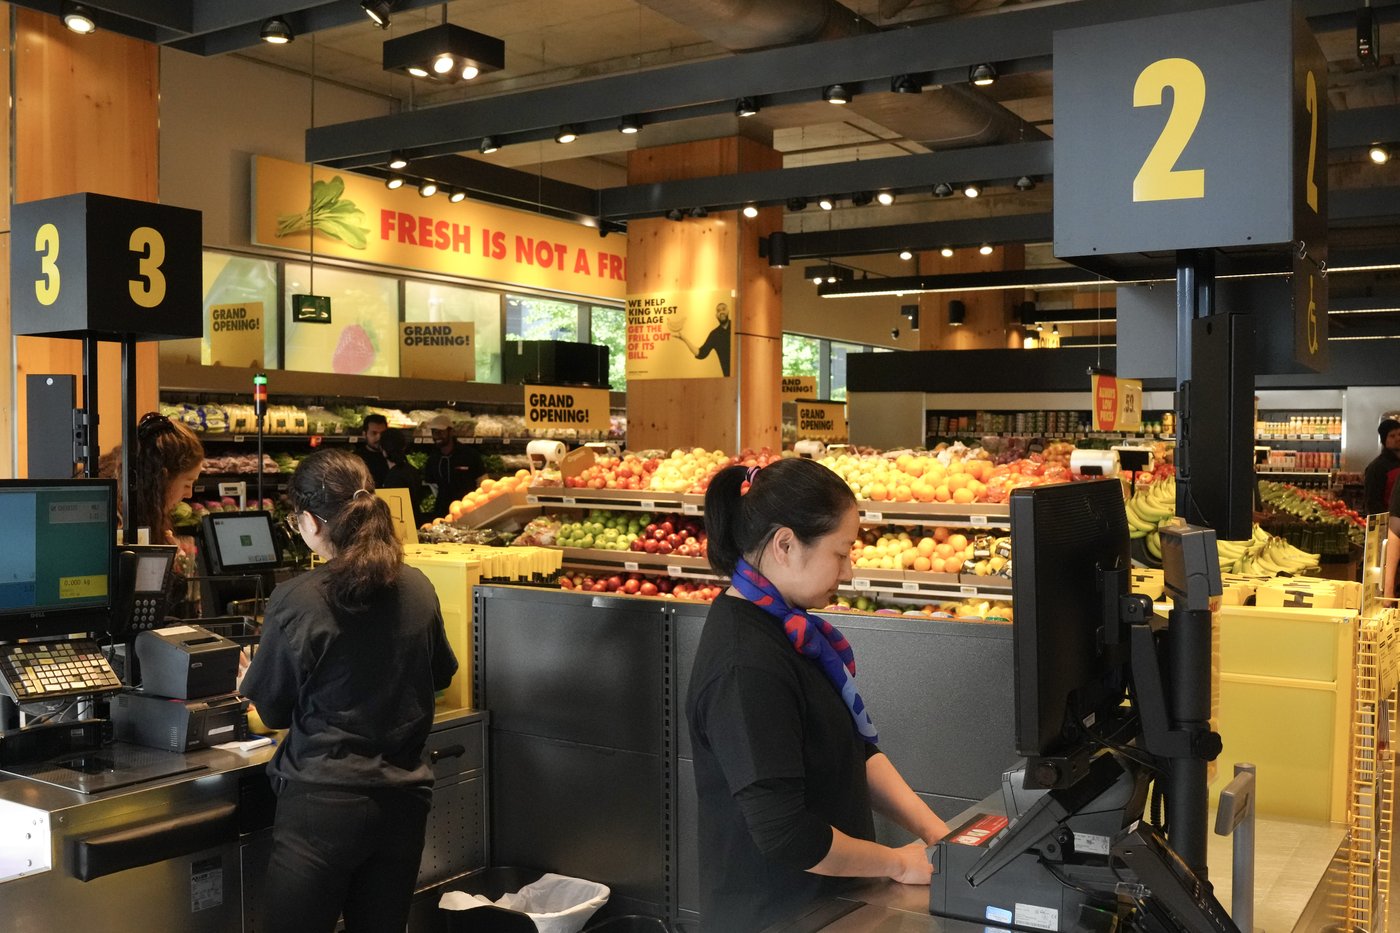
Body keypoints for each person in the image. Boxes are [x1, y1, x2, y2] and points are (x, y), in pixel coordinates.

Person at [686, 458, 947, 931]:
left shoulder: (792, 630)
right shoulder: (745, 666)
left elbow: (855, 752)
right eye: (841, 552)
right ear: (785, 544)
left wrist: (939, 836)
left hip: (829, 904)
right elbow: (786, 835)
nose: (848, 571)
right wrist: (895, 862)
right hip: (775, 914)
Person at [240, 448, 457, 933]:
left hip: (323, 807)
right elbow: (439, 676)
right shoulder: (418, 586)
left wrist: (248, 681)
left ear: (312, 522)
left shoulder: (297, 598)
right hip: (403, 803)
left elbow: (271, 711)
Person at [99, 411, 205, 554]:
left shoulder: (142, 510)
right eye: (187, 484)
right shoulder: (110, 521)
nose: (189, 494)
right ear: (163, 478)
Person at [423, 414, 486, 520]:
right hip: (442, 513)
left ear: (451, 432)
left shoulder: (469, 455)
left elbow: (482, 481)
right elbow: (432, 486)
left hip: (468, 511)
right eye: (434, 432)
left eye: (441, 432)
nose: (437, 436)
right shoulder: (433, 459)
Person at [378, 427, 428, 526]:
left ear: (383, 450)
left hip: (403, 531)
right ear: (404, 447)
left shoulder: (393, 477)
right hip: (416, 524)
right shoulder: (412, 471)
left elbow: (394, 513)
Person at [675, 301, 732, 378]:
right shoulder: (714, 335)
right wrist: (684, 339)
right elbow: (700, 353)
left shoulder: (737, 328)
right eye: (718, 311)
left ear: (728, 311)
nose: (721, 312)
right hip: (729, 378)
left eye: (723, 309)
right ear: (716, 315)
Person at [1364, 417, 1400, 517]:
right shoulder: (1377, 467)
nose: (1398, 438)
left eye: (1399, 434)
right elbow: (1373, 503)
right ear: (1384, 441)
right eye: (1392, 436)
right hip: (1391, 524)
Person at [352, 413, 390, 488]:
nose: (379, 437)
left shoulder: (392, 457)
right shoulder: (355, 459)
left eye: (382, 433)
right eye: (374, 433)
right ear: (364, 434)